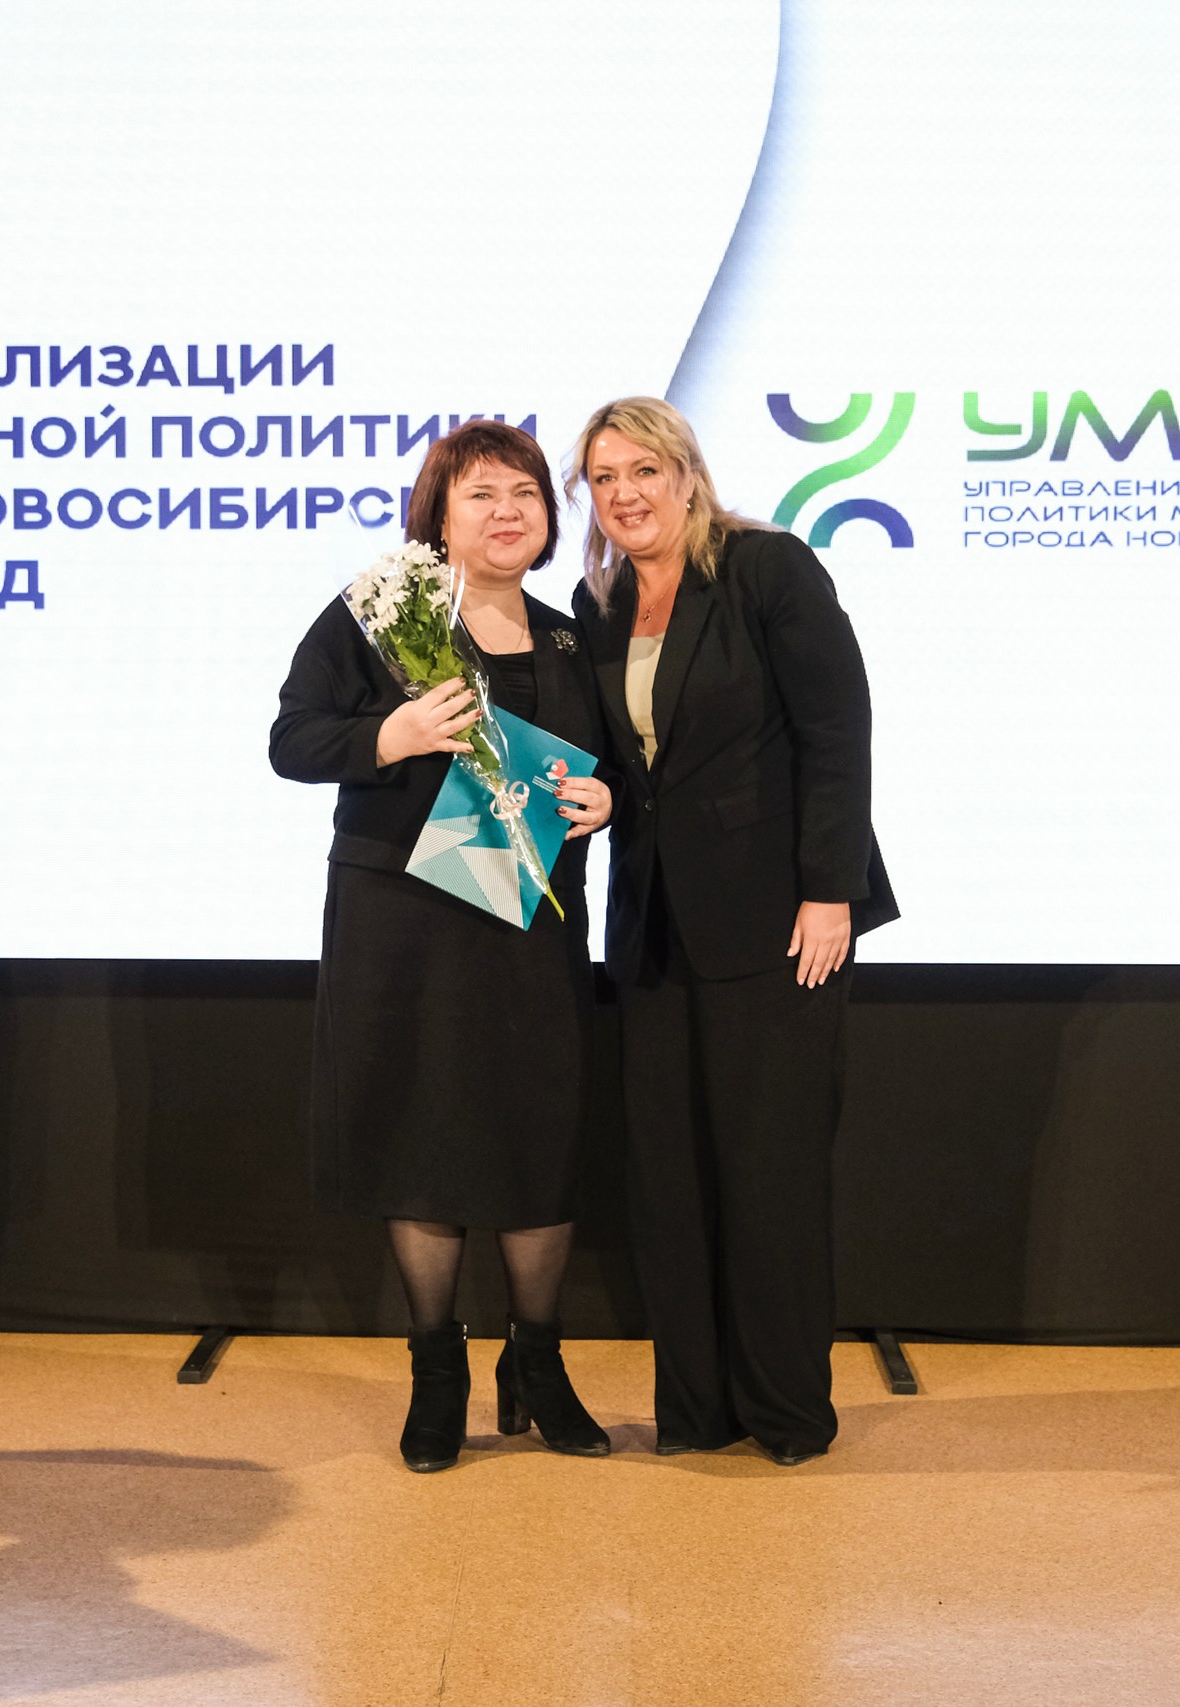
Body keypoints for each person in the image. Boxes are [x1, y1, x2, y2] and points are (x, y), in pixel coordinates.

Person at [270, 419, 616, 1472]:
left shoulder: (573, 636)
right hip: (402, 921)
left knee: (539, 1133)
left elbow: (609, 767)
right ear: (439, 515)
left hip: (530, 918)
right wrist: (394, 735)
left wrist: (606, 800)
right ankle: (437, 1372)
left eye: (525, 493)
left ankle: (538, 1362)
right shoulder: (381, 618)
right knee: (419, 1133)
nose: (507, 512)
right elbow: (293, 738)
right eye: (481, 495)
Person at [565, 396, 897, 1466]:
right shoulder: (598, 604)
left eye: (642, 471)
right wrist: (598, 797)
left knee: (770, 1173)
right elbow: (632, 765)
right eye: (604, 478)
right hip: (654, 931)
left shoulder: (767, 570)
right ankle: (698, 1411)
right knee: (670, 1180)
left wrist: (829, 890)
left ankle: (787, 1411)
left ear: (687, 474)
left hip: (779, 924)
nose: (624, 494)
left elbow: (836, 730)